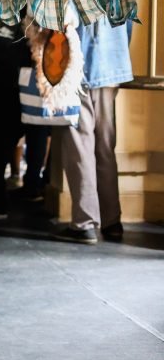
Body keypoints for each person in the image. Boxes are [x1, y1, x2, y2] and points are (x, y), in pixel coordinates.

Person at [52, 17, 132, 244]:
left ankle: (84, 222)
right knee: (106, 146)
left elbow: (65, 19)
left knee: (79, 145)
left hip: (81, 66)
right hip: (113, 64)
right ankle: (112, 221)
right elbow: (128, 24)